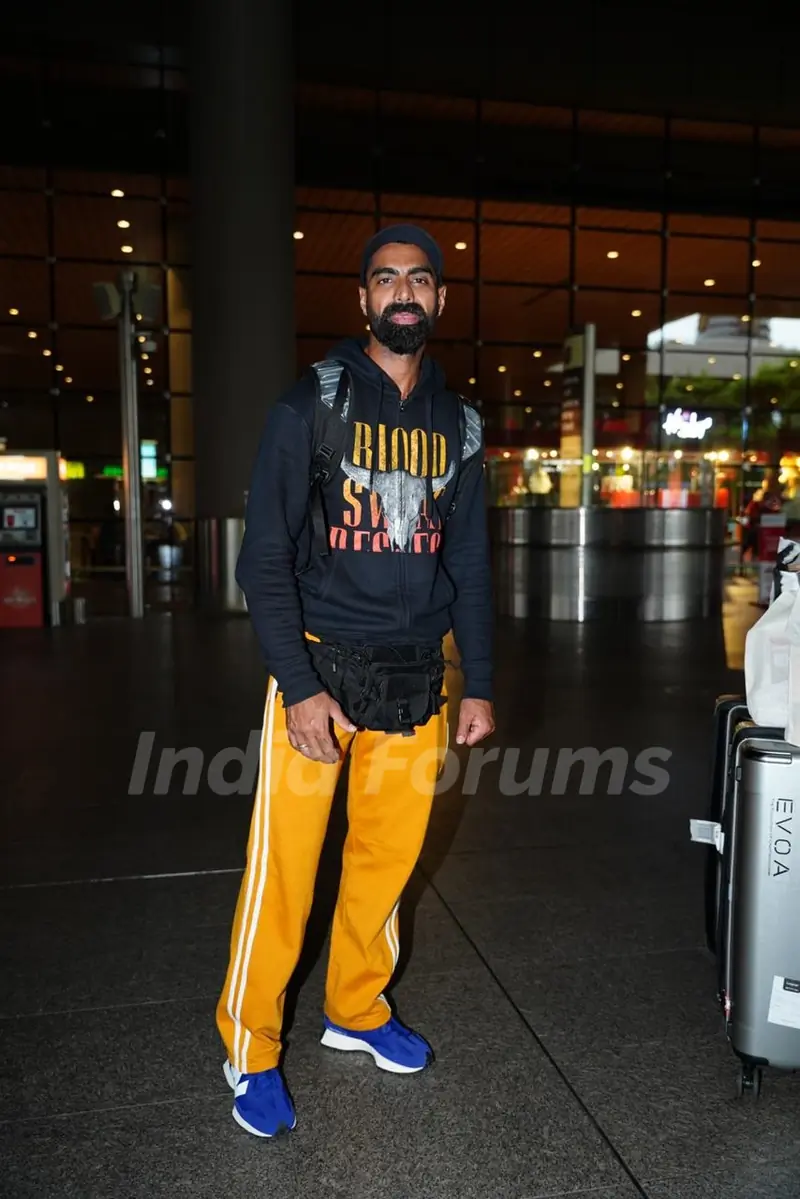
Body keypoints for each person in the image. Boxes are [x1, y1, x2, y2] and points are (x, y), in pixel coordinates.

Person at [216, 223, 495, 1138]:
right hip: (321, 672)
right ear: (364, 299)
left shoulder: (460, 426)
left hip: (417, 679)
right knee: (285, 875)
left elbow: (470, 564)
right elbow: (263, 560)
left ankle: (356, 1007)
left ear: (440, 298)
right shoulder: (310, 405)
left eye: (418, 279)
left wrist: (480, 680)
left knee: (385, 864)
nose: (402, 292)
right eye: (385, 279)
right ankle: (250, 1045)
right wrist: (298, 688)